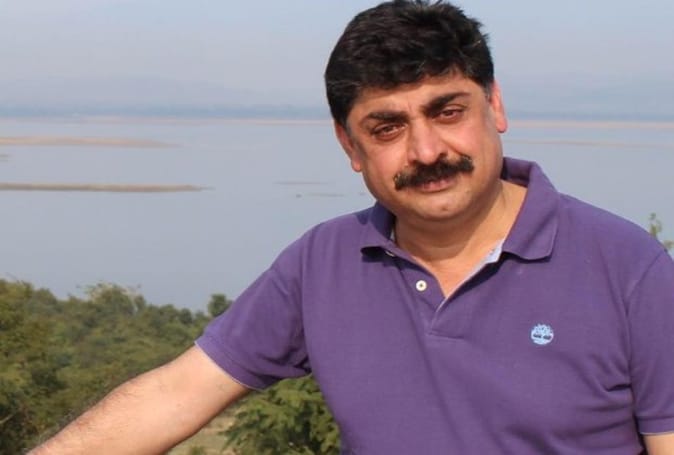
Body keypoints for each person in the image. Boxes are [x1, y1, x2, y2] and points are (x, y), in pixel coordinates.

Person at [30, 1, 674, 453]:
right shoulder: (325, 262)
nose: (427, 150)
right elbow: (174, 396)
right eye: (387, 127)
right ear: (350, 146)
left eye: (447, 111)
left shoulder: (627, 267)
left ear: (495, 104)